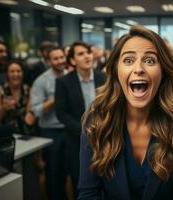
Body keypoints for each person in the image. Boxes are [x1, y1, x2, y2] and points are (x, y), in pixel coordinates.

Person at [78, 25, 173, 200]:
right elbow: (88, 193)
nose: (139, 69)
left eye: (150, 61)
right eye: (128, 60)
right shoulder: (96, 121)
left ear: (163, 71)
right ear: (115, 70)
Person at [55, 41, 106, 196]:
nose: (87, 56)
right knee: (82, 180)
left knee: (105, 178)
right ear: (72, 60)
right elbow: (62, 114)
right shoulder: (63, 82)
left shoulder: (103, 77)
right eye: (81, 54)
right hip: (76, 139)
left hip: (105, 137)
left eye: (88, 52)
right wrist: (85, 131)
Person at [30, 47, 68, 200]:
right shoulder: (41, 81)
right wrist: (53, 101)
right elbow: (35, 110)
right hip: (51, 132)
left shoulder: (70, 76)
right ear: (48, 62)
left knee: (67, 171)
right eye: (56, 58)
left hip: (69, 130)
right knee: (53, 173)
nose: (60, 61)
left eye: (62, 57)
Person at [0, 60, 34, 134]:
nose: (16, 74)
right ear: (7, 74)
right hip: (5, 134)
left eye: (18, 71)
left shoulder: (28, 89)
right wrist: (3, 108)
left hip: (25, 133)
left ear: (23, 73)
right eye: (12, 71)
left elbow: (29, 116)